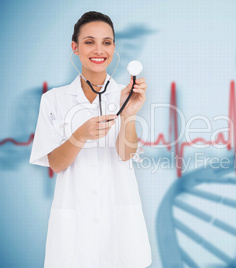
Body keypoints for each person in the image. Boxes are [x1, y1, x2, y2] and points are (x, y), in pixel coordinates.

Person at [29, 11, 152, 267]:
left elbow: (125, 154)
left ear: (114, 47)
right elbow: (56, 164)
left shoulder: (125, 94)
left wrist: (128, 114)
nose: (99, 50)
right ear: (75, 47)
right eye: (89, 42)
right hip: (74, 225)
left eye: (106, 42)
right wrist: (79, 136)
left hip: (119, 222)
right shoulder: (53, 100)